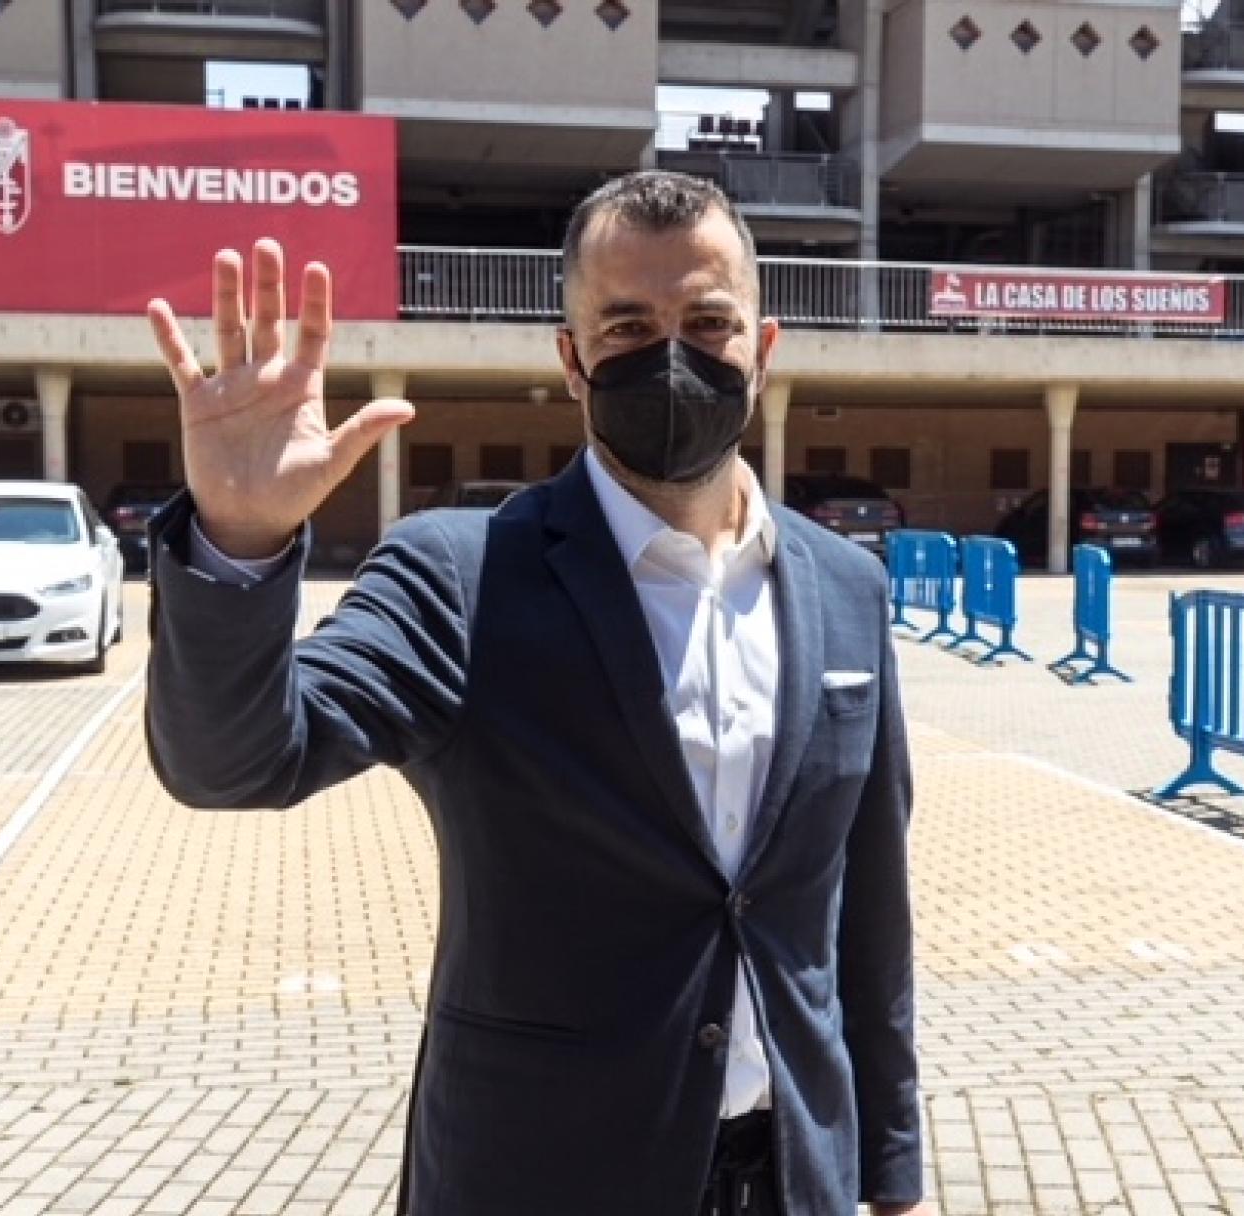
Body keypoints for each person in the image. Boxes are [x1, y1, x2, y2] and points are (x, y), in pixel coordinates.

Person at [143, 171, 925, 1216]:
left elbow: (869, 915)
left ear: (763, 347)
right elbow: (234, 761)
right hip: (542, 1175)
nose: (673, 357)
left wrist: (894, 1174)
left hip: (790, 1178)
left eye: (707, 322)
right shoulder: (463, 577)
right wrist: (239, 539)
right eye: (628, 326)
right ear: (571, 360)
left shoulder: (846, 588)